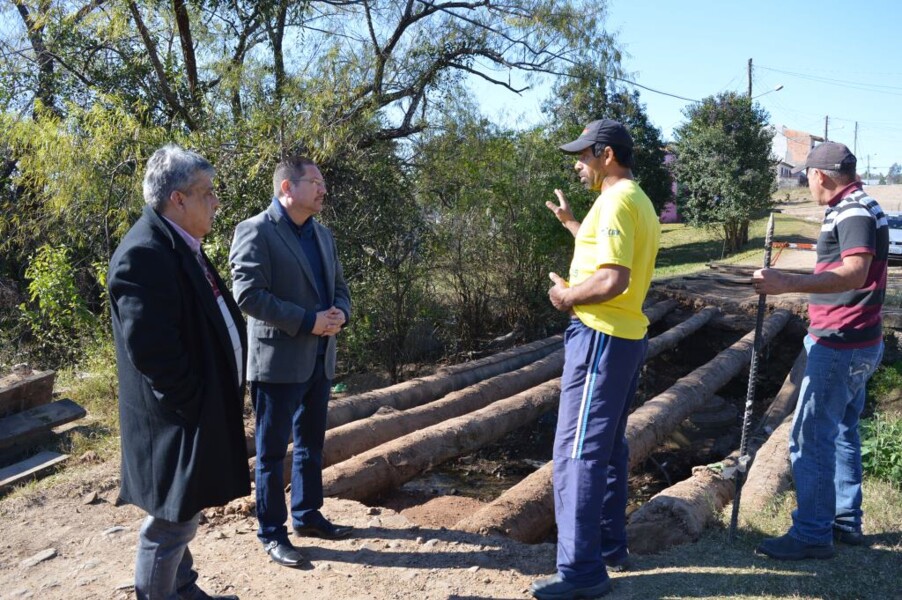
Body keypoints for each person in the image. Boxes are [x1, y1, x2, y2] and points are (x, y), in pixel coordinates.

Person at [108, 144, 249, 600]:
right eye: (206, 192)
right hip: (175, 420)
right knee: (170, 523)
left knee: (181, 506)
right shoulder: (144, 254)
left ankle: (182, 590)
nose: (215, 202)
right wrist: (194, 403)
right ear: (178, 199)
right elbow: (153, 352)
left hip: (192, 411)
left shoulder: (180, 243)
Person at [531, 119, 660, 600]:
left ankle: (581, 573)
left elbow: (612, 279)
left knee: (576, 453)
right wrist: (571, 224)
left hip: (600, 337)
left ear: (606, 154)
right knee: (606, 450)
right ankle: (608, 547)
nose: (578, 165)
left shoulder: (615, 202)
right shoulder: (636, 200)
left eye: (583, 156)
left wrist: (566, 298)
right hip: (624, 338)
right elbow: (608, 252)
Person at [753, 142, 887, 560]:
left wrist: (785, 283)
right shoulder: (855, 206)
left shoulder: (853, 212)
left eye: (805, 175)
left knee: (810, 437)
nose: (805, 182)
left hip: (842, 343)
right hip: (855, 340)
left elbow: (854, 272)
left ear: (821, 176)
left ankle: (813, 532)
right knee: (843, 430)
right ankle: (846, 521)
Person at [229, 156, 352, 569]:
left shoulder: (323, 235)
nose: (323, 189)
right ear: (287, 188)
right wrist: (308, 322)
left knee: (310, 445)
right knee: (270, 453)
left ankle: (307, 515)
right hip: (278, 361)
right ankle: (272, 532)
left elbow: (340, 288)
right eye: (315, 182)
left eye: (322, 182)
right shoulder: (255, 230)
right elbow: (248, 295)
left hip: (319, 358)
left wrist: (340, 314)